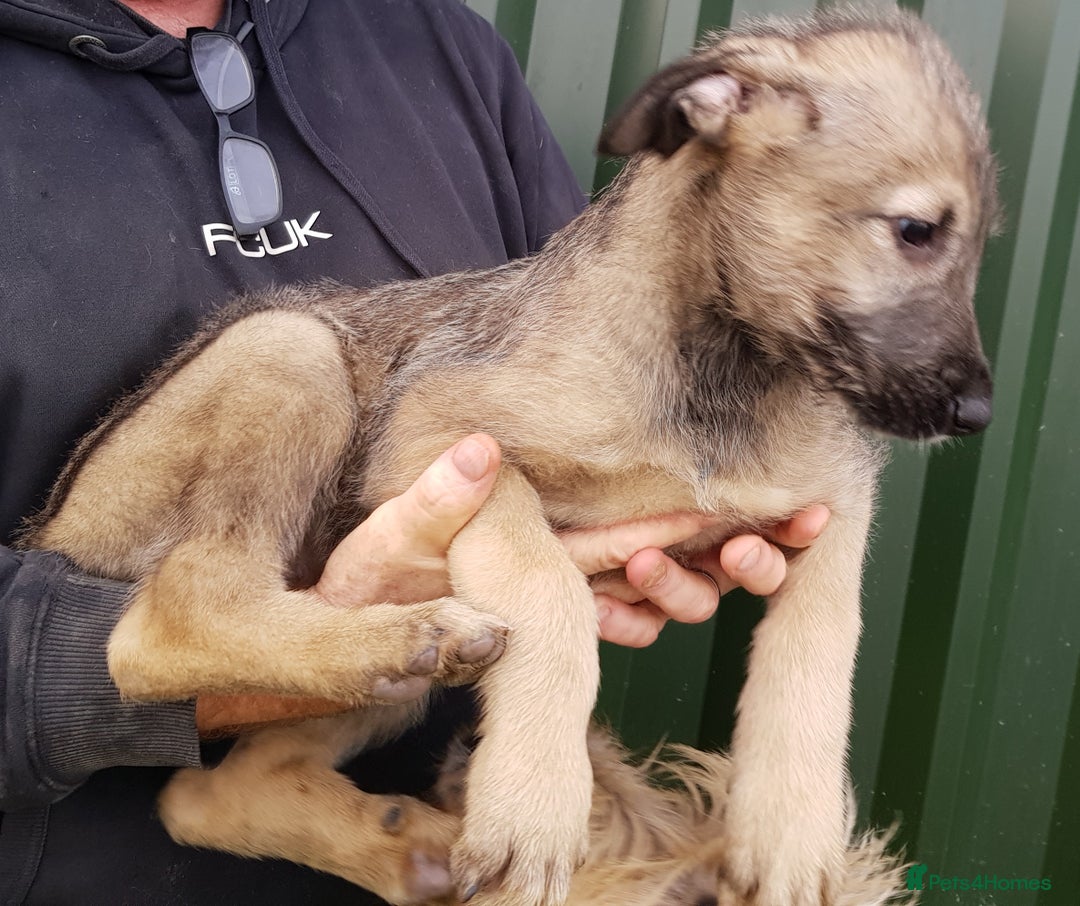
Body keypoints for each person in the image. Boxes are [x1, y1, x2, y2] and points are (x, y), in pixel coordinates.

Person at [0, 0, 828, 902]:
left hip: (419, 820)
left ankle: (279, 788)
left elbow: (573, 372)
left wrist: (639, 525)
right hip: (79, 857)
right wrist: (342, 632)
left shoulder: (440, 45)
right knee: (283, 358)